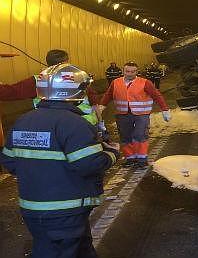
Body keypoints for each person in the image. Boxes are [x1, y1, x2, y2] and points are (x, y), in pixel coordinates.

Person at [0, 63, 119, 258]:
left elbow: (10, 161)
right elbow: (88, 164)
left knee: (80, 249)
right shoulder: (73, 123)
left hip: (32, 209)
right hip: (66, 210)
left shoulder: (23, 120)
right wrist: (112, 154)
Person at [0, 49, 100, 126]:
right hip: (85, 123)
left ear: (48, 63)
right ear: (66, 62)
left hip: (53, 126)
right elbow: (92, 95)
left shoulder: (38, 80)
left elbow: (9, 92)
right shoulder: (79, 76)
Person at [99, 61, 171, 167]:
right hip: (122, 113)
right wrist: (102, 106)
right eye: (127, 71)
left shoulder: (145, 82)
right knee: (125, 136)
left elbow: (156, 95)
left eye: (133, 71)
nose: (130, 74)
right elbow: (108, 95)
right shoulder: (116, 82)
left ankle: (142, 159)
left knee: (140, 135)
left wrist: (165, 109)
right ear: (123, 71)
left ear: (137, 72)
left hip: (141, 114)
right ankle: (130, 158)